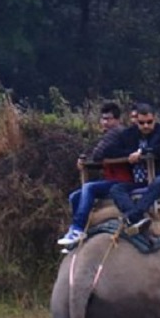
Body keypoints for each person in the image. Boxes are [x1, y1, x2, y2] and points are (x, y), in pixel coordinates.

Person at [57, 102, 131, 246]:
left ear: (117, 120)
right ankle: (81, 231)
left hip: (123, 181)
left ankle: (78, 228)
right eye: (103, 119)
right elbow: (95, 153)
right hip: (112, 180)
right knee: (74, 196)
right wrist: (84, 160)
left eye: (108, 119)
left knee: (89, 187)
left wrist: (90, 159)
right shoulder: (110, 135)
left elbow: (97, 154)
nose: (105, 122)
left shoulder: (117, 132)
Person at [102, 103, 160, 230]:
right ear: (136, 121)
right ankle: (137, 218)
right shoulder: (129, 134)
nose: (146, 126)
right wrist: (130, 154)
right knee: (116, 189)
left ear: (155, 119)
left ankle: (133, 215)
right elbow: (109, 151)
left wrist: (143, 152)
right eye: (142, 123)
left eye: (149, 122)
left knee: (158, 183)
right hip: (138, 181)